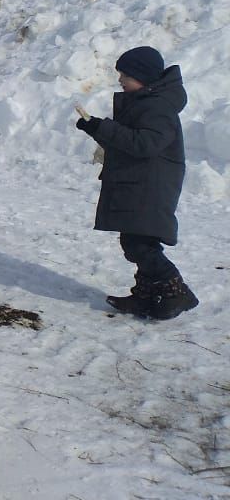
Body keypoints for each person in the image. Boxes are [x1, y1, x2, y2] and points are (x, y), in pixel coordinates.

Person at [75, 46, 197, 320]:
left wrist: (105, 127)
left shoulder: (158, 107)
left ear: (143, 77)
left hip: (150, 187)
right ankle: (148, 295)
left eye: (125, 75)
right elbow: (127, 143)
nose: (120, 80)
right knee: (136, 240)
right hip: (141, 183)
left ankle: (176, 290)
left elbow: (145, 144)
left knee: (139, 244)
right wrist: (96, 128)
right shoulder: (145, 102)